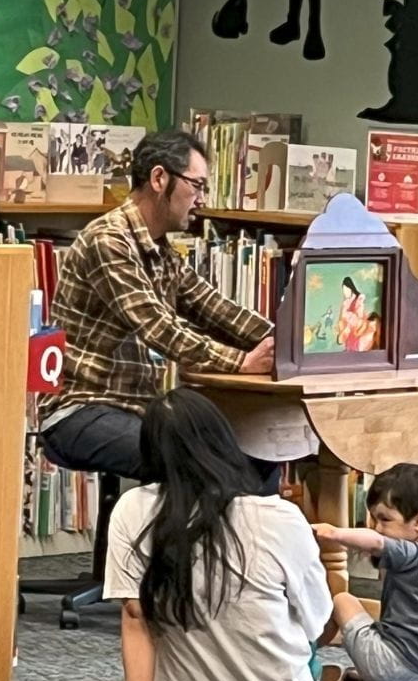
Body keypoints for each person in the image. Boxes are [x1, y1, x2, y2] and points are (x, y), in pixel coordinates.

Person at [103, 389, 332, 681]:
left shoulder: (132, 510)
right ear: (226, 440)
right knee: (311, 643)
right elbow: (316, 622)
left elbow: (135, 618)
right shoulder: (281, 517)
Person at [39, 129, 275, 483]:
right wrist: (241, 362)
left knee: (259, 459)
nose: (201, 200)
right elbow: (159, 328)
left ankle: (234, 539)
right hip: (81, 410)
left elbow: (215, 308)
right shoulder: (109, 241)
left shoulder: (161, 249)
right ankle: (179, 539)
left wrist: (290, 343)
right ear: (159, 178)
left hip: (138, 409)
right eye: (197, 185)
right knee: (205, 466)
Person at [310, 463, 418, 681]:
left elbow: (376, 542)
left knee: (342, 600)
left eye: (385, 519)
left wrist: (333, 533)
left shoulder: (413, 554)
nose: (378, 528)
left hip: (390, 670)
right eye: (374, 520)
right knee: (373, 623)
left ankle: (303, 651)